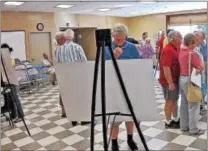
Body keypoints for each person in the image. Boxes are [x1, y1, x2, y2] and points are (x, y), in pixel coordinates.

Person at [106, 24, 140, 151]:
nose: (119, 41)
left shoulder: (132, 48)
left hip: (130, 86)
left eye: (121, 38)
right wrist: (114, 57)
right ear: (112, 36)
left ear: (126, 36)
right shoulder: (107, 48)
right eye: (116, 38)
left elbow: (138, 65)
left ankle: (130, 138)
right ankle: (114, 143)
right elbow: (103, 69)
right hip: (113, 87)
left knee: (130, 115)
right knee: (114, 117)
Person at [56, 29, 90, 126]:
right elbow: (84, 62)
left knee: (70, 98)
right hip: (77, 77)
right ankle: (84, 119)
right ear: (73, 37)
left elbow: (58, 64)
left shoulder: (58, 49)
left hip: (65, 78)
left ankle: (73, 119)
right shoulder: (77, 47)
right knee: (81, 97)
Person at [179, 33, 205, 135]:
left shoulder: (181, 51)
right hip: (191, 80)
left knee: (184, 104)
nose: (195, 45)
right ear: (190, 43)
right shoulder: (192, 53)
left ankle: (184, 126)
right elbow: (201, 67)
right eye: (194, 43)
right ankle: (193, 129)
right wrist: (200, 64)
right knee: (194, 105)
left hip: (182, 78)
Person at [159, 31, 182, 129]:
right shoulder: (168, 50)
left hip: (174, 79)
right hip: (169, 81)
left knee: (175, 100)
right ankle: (168, 121)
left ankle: (175, 119)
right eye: (179, 37)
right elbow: (166, 67)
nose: (181, 38)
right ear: (173, 38)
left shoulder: (175, 48)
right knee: (169, 101)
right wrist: (170, 82)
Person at [1, 43, 25, 123]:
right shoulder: (6, 59)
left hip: (12, 81)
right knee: (12, 99)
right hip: (9, 81)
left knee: (15, 99)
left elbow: (11, 70)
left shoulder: (10, 58)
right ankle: (15, 115)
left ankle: (21, 116)